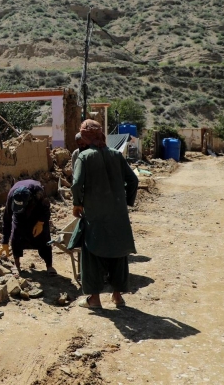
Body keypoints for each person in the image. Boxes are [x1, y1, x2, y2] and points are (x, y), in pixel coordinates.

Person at [71, 119, 139, 309]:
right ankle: (117, 297)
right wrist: (125, 202)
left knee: (91, 252)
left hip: (95, 215)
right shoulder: (116, 155)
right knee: (118, 251)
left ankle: (94, 299)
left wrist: (77, 204)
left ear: (85, 137)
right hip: (117, 214)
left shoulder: (84, 157)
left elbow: (76, 184)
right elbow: (133, 180)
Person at [0, 179, 57, 276]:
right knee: (16, 235)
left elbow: (46, 208)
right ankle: (16, 265)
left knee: (44, 236)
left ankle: (49, 265)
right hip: (19, 216)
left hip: (37, 212)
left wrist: (40, 223)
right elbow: (7, 218)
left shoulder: (38, 192)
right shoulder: (11, 196)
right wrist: (4, 241)